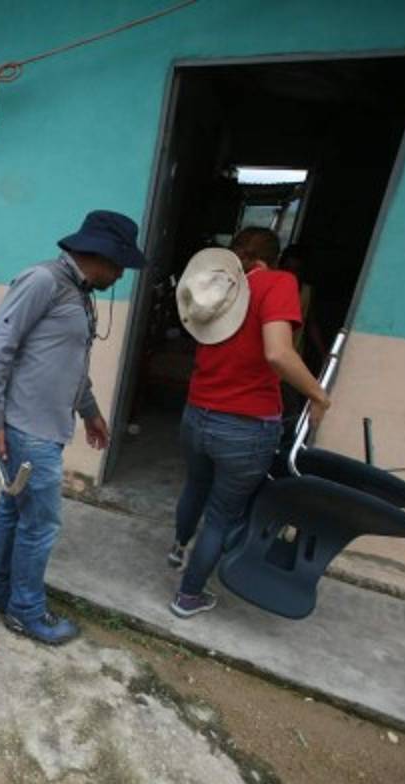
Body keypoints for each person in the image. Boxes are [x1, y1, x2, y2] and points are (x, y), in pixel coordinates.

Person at [0, 210, 146, 645]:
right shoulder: (44, 281)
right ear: (100, 254)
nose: (121, 274)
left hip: (43, 424)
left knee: (15, 510)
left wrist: (90, 411)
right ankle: (25, 611)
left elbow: (67, 365)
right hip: (28, 428)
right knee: (41, 524)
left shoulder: (78, 291)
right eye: (119, 264)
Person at [167, 228, 331, 618]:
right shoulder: (279, 283)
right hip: (244, 425)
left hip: (197, 413)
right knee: (222, 515)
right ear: (272, 258)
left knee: (196, 484)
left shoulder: (219, 286)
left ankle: (177, 549)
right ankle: (188, 596)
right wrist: (318, 395)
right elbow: (277, 353)